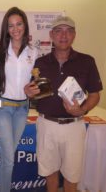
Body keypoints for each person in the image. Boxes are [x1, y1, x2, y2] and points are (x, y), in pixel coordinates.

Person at [24, 16, 103, 192]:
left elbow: (95, 95)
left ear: (74, 35)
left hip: (74, 127)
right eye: (59, 31)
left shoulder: (87, 61)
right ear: (52, 35)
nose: (63, 35)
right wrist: (29, 93)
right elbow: (34, 93)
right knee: (50, 176)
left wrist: (82, 109)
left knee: (71, 178)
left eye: (68, 31)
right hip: (46, 125)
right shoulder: (41, 63)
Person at [0, 7, 38, 192]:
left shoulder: (33, 52)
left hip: (22, 109)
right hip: (2, 108)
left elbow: (35, 82)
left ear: (25, 25)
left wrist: (32, 89)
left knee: (9, 155)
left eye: (19, 24)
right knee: (9, 157)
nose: (15, 29)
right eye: (11, 25)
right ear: (6, 28)